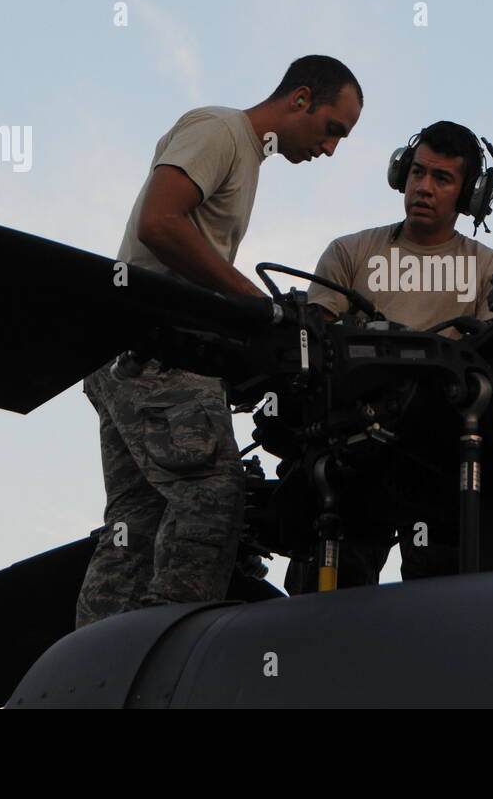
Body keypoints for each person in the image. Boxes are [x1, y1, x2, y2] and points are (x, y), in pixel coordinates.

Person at [75, 55, 363, 629]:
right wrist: (258, 306)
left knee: (139, 517)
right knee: (212, 500)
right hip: (160, 354)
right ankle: (172, 649)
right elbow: (160, 221)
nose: (331, 149)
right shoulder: (220, 129)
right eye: (334, 129)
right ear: (301, 98)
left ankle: (99, 655)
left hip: (125, 354)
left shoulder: (244, 153)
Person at [285, 120, 493, 593]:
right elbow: (311, 342)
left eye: (442, 178)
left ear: (469, 195)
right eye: (417, 173)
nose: (423, 187)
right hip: (351, 450)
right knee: (326, 597)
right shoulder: (349, 253)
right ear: (401, 176)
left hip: (442, 458)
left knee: (444, 595)